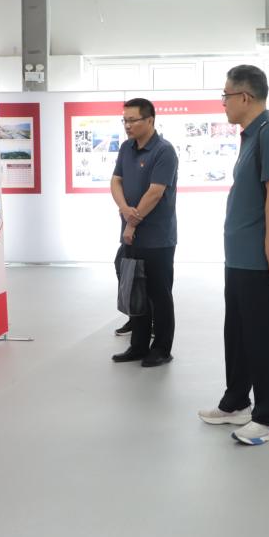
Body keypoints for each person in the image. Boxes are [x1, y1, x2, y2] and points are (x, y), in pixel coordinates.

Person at [198, 64, 269, 446]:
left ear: (244, 96)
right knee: (237, 335)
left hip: (258, 260)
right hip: (238, 258)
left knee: (264, 339)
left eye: (225, 95)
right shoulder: (250, 136)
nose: (222, 102)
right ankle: (236, 401)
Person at [110, 97, 178, 368]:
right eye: (124, 120)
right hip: (131, 235)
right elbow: (116, 181)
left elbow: (155, 192)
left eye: (132, 120)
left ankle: (161, 348)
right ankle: (137, 346)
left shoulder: (164, 151)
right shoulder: (126, 148)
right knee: (134, 288)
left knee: (159, 294)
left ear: (150, 120)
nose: (127, 125)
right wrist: (124, 208)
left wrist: (131, 222)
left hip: (157, 238)